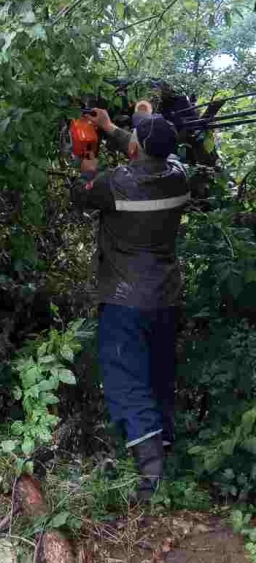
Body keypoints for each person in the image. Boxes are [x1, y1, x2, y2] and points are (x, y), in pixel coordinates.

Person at [71, 103, 190, 499]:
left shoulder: (115, 184)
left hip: (125, 301)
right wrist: (110, 128)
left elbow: (82, 195)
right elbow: (149, 152)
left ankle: (150, 480)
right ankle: (163, 451)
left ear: (136, 148)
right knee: (158, 376)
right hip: (165, 297)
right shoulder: (178, 175)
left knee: (126, 381)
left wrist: (88, 162)